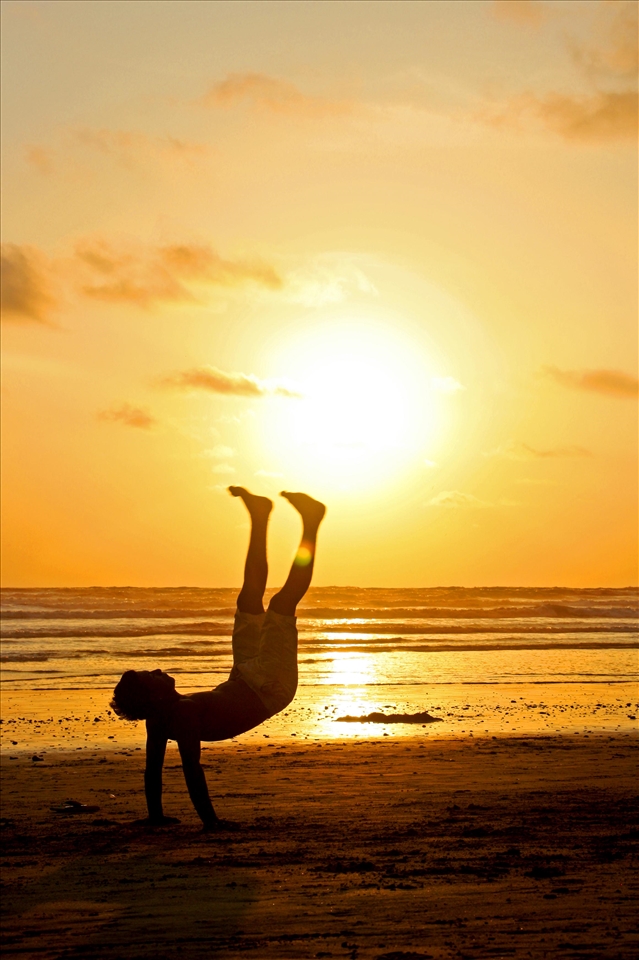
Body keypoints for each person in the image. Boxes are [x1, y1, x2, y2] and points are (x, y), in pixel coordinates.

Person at [110, 488, 326, 831]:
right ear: (155, 695)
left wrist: (154, 816)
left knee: (249, 599)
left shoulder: (162, 716)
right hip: (270, 686)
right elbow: (191, 770)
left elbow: (152, 771)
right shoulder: (181, 714)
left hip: (242, 677)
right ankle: (312, 522)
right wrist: (211, 823)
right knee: (281, 606)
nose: (158, 669)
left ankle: (259, 515)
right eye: (151, 676)